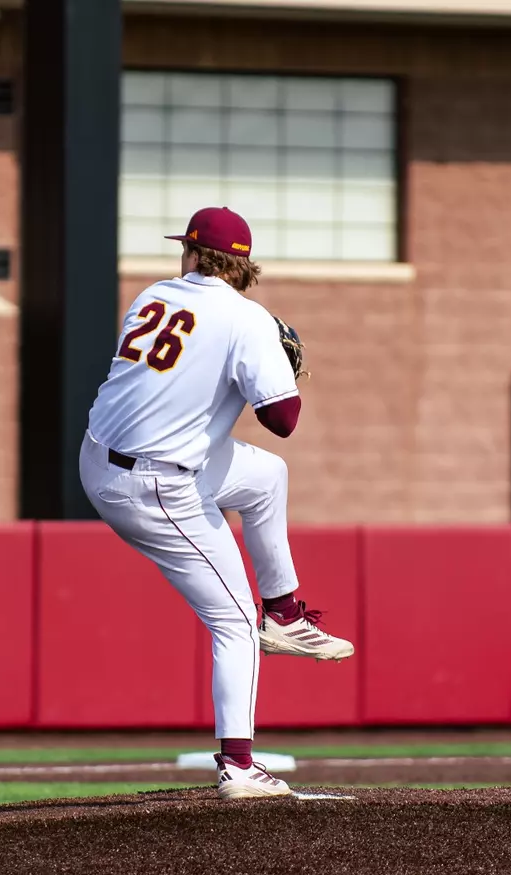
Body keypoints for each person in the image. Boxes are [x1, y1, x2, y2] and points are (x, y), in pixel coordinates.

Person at [81, 206, 354, 800]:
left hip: (105, 455)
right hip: (154, 484)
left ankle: (284, 612)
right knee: (232, 620)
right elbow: (282, 419)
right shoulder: (247, 320)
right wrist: (276, 366)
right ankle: (239, 766)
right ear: (244, 265)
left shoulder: (154, 295)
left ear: (193, 254)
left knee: (265, 477)